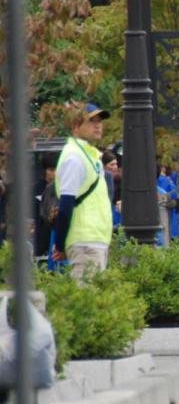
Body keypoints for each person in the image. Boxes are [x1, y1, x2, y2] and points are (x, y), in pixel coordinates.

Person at [53, 102, 113, 281]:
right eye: (91, 121)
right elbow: (66, 204)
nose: (98, 125)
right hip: (85, 240)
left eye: (99, 121)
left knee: (95, 304)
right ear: (75, 126)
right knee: (88, 304)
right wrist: (60, 244)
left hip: (94, 238)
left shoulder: (88, 156)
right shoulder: (74, 157)